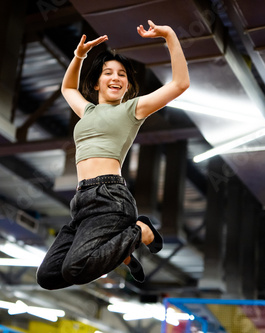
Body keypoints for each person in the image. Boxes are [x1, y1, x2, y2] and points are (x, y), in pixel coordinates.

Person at [37, 20, 189, 290]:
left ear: (128, 85)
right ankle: (123, 252)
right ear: (96, 82)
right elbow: (68, 89)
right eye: (108, 72)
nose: (116, 78)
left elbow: (180, 84)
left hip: (110, 197)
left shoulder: (132, 109)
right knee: (48, 276)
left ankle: (140, 232)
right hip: (82, 201)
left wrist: (169, 35)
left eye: (122, 74)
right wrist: (79, 56)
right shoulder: (88, 111)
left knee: (75, 268)